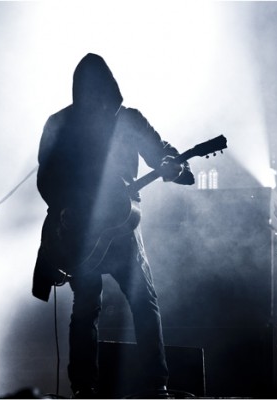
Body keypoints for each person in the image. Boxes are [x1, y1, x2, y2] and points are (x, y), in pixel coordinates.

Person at [32, 53, 194, 398]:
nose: (94, 102)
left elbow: (159, 151)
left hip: (122, 226)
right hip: (77, 231)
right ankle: (84, 388)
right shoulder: (59, 123)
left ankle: (156, 386)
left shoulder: (128, 119)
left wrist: (173, 165)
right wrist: (64, 209)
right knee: (90, 305)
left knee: (139, 301)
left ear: (111, 91)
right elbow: (46, 177)